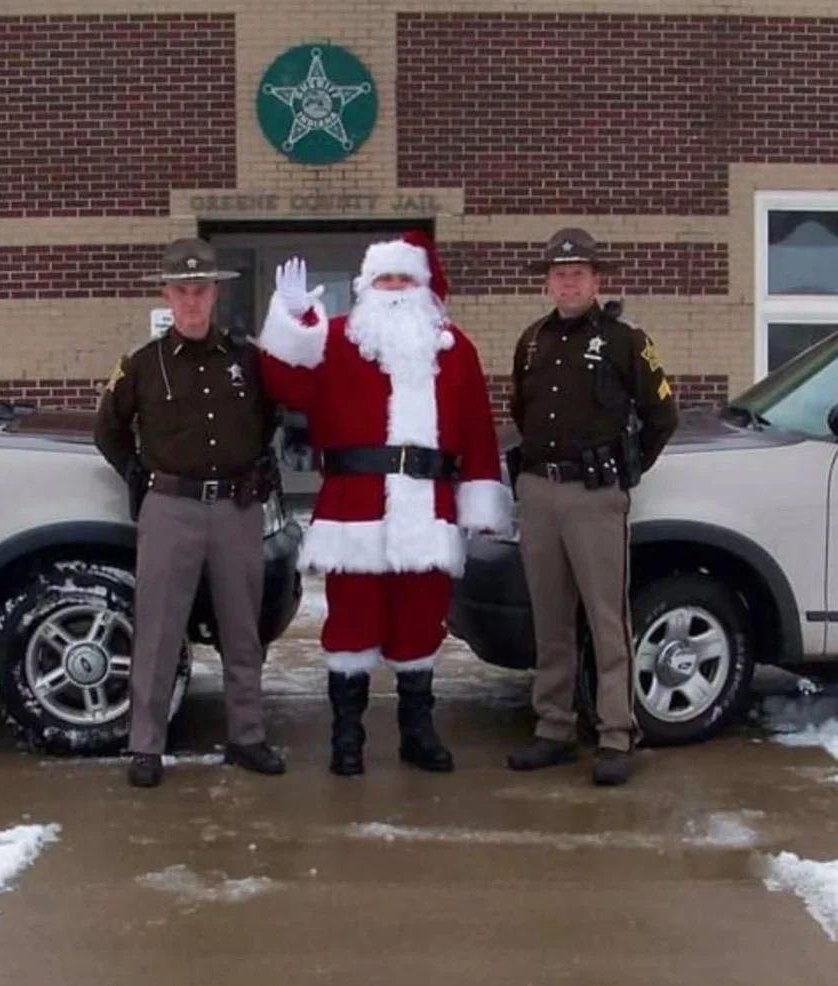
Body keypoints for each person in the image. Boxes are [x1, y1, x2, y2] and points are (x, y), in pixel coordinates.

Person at [257, 230, 512, 776]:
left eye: (404, 278)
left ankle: (417, 733)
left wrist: (480, 500)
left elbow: (478, 432)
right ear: (365, 286)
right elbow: (284, 384)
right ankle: (345, 738)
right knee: (351, 626)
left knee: (422, 625)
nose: (394, 289)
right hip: (355, 507)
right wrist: (292, 318)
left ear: (423, 287)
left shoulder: (455, 348)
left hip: (429, 506)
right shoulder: (335, 339)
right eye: (384, 279)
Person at [94, 238, 285, 788]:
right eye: (182, 290)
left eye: (201, 289)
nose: (193, 300)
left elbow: (272, 415)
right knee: (157, 629)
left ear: (216, 293)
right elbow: (108, 428)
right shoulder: (142, 365)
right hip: (171, 508)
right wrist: (137, 473)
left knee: (242, 629)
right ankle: (145, 746)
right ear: (167, 295)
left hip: (236, 509)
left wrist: (259, 462)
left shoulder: (246, 360)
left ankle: (247, 737)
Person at [507, 227, 679, 786]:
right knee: (550, 618)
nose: (568, 281)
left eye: (579, 272)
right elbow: (519, 409)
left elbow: (662, 416)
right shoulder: (532, 340)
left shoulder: (626, 340)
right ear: (548, 282)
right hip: (539, 494)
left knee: (608, 619)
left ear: (597, 279)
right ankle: (553, 727)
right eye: (559, 273)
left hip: (594, 497)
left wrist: (625, 473)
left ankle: (615, 733)